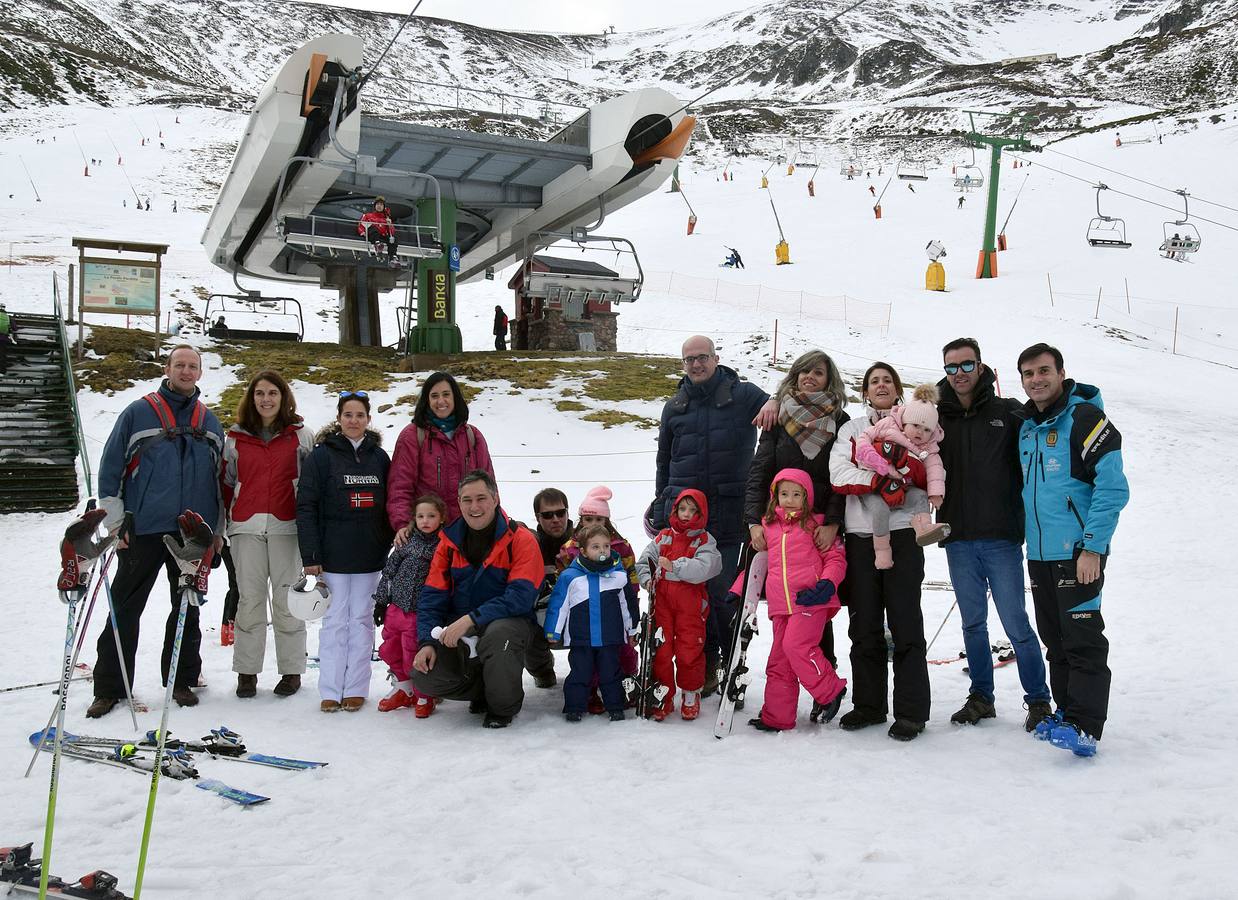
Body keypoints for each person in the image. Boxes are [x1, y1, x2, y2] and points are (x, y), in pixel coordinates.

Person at [87, 345, 225, 718]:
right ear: (167, 368)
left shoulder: (209, 421)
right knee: (125, 606)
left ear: (200, 373)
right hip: (142, 528)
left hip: (191, 533)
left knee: (187, 608)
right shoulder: (137, 412)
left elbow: (219, 482)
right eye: (179, 364)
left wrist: (217, 531)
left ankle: (181, 679)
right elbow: (111, 467)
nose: (185, 371)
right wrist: (115, 521)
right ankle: (111, 687)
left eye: (192, 366)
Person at [1015, 343, 1128, 756]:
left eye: (1044, 370)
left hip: (1079, 552)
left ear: (1061, 372)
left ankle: (1085, 726)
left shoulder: (1086, 418)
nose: (1036, 379)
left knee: (1083, 640)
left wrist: (1093, 547)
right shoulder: (1027, 427)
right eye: (1028, 374)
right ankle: (1065, 713)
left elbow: (1112, 488)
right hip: (1041, 554)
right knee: (1056, 640)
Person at [935, 338, 1051, 730]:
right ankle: (981, 696)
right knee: (972, 623)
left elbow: (1048, 424)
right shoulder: (937, 418)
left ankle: (1038, 700)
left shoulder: (1008, 412)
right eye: (951, 367)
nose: (959, 374)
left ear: (981, 368)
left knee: (1016, 622)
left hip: (1001, 537)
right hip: (958, 538)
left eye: (966, 365)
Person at [653, 335, 771, 694]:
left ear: (716, 358)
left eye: (702, 357)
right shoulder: (675, 405)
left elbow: (779, 407)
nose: (696, 364)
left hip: (728, 511)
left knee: (720, 592)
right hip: (683, 516)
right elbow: (664, 461)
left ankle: (724, 658)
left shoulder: (744, 395)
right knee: (689, 592)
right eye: (689, 359)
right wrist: (661, 509)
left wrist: (778, 399)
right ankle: (702, 665)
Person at [830, 362, 931, 741]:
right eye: (875, 381)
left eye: (888, 380)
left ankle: (910, 712)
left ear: (898, 388)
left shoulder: (916, 428)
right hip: (860, 535)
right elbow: (838, 472)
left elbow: (930, 466)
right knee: (864, 624)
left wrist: (910, 481)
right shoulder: (853, 429)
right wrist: (880, 478)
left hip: (904, 535)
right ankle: (869, 705)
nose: (882, 385)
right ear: (866, 392)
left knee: (906, 622)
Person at [411, 470, 543, 728]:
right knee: (424, 676)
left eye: (481, 498)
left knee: (498, 634)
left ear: (495, 499)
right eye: (466, 500)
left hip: (510, 625)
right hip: (461, 629)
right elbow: (431, 598)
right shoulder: (448, 542)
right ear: (458, 503)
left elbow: (520, 598)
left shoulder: (521, 539)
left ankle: (502, 706)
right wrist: (427, 641)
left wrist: (471, 619)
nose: (474, 507)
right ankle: (483, 690)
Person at [744, 349, 849, 667]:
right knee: (782, 608)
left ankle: (823, 679)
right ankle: (782, 691)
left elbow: (840, 478)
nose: (809, 377)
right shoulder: (777, 417)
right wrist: (753, 521)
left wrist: (832, 522)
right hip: (778, 526)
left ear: (829, 379)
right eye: (804, 371)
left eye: (817, 372)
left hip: (816, 529)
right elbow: (759, 472)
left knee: (816, 606)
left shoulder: (840, 421)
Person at [296, 391, 394, 712]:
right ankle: (330, 689)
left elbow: (389, 506)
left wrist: (387, 541)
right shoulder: (321, 457)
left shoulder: (379, 458)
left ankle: (356, 688)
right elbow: (307, 506)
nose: (354, 421)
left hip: (368, 557)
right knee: (335, 622)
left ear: (369, 419)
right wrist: (311, 556)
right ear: (339, 418)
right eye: (348, 415)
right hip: (333, 558)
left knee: (363, 622)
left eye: (360, 415)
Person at [220, 371, 313, 699]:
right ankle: (247, 671)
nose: (266, 399)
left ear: (283, 397)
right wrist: (222, 526)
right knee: (250, 600)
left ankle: (291, 670)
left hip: (287, 526)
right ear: (251, 397)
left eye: (273, 393)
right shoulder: (234, 438)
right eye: (260, 393)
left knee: (287, 599)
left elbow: (312, 485)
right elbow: (226, 481)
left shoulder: (301, 437)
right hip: (245, 527)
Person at [740, 469, 848, 732]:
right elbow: (756, 564)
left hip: (811, 600)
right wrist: (738, 591)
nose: (789, 500)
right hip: (780, 604)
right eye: (784, 494)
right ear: (775, 497)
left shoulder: (817, 525)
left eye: (796, 494)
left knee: (796, 646)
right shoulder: (768, 527)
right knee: (778, 660)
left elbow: (835, 559)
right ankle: (777, 717)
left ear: (807, 498)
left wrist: (827, 584)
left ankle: (831, 689)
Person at [635, 489, 722, 721]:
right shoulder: (663, 536)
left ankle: (690, 693)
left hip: (690, 605)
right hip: (662, 602)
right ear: (674, 510)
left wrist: (676, 566)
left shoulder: (704, 540)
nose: (686, 515)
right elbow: (644, 561)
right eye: (682, 509)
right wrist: (647, 580)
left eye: (693, 510)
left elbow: (708, 566)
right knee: (661, 649)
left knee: (689, 649)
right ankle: (662, 693)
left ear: (702, 514)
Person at [554, 486, 640, 712]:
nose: (593, 524)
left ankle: (626, 683)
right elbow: (563, 577)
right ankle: (590, 691)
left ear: (607, 521)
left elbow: (631, 574)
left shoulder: (619, 546)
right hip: (584, 612)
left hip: (613, 608)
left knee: (620, 651)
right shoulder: (571, 548)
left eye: (599, 519)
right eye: (588, 518)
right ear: (581, 520)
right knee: (586, 655)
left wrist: (630, 595)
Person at [852, 382, 951, 568]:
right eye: (915, 426)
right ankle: (882, 552)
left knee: (920, 496)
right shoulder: (888, 425)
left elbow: (935, 468)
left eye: (927, 429)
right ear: (904, 422)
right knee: (880, 510)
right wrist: (875, 460)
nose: (920, 432)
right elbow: (864, 437)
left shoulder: (928, 446)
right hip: (873, 484)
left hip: (902, 486)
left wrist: (936, 493)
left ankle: (923, 527)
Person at [388, 372, 494, 533]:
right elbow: (400, 486)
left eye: (446, 394)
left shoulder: (472, 436)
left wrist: (493, 520)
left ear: (455, 398)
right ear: (427, 400)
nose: (441, 401)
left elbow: (489, 485)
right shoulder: (412, 436)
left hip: (468, 530)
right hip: (428, 532)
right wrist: (403, 523)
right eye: (434, 396)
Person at [372, 493, 446, 718]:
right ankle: (403, 688)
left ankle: (423, 693)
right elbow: (389, 572)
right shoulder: (406, 542)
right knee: (389, 648)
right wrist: (382, 602)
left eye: (431, 516)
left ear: (441, 518)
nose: (425, 521)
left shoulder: (443, 546)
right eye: (421, 516)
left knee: (411, 653)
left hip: (419, 611)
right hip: (396, 607)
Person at [525, 487, 573, 688]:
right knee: (522, 631)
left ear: (568, 513)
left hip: (579, 618)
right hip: (541, 620)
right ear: (538, 517)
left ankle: (589, 675)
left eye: (560, 513)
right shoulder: (529, 545)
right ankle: (543, 671)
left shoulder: (586, 542)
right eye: (547, 514)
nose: (555, 519)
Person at [358, 196, 397, 261]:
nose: (379, 206)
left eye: (381, 205)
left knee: (393, 239)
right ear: (375, 206)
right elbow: (361, 225)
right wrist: (362, 232)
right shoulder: (368, 216)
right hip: (372, 235)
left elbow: (391, 233)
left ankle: (393, 257)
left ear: (384, 207)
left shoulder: (386, 219)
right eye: (377, 204)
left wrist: (390, 225)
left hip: (382, 235)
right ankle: (377, 244)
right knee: (373, 228)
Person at [0, 302, 12, 375]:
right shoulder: (8, 317)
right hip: (3, 339)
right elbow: (14, 328)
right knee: (2, 355)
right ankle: (2, 371)